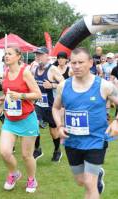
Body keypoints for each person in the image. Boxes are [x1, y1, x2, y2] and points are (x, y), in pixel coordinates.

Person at [52, 47, 118, 198]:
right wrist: (60, 125)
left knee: (89, 183)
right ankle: (98, 175)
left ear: (90, 63)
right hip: (72, 141)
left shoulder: (104, 85)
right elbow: (55, 108)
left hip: (96, 140)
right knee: (81, 181)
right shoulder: (64, 86)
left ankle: (94, 180)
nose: (76, 66)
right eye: (73, 63)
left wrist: (116, 122)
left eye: (80, 62)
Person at [0, 46, 42, 193]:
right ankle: (14, 174)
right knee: (4, 152)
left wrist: (21, 96)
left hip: (27, 118)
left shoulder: (25, 73)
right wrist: (3, 98)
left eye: (10, 54)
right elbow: (9, 93)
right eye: (5, 54)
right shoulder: (5, 72)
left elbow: (37, 94)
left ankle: (31, 179)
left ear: (18, 56)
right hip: (10, 119)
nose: (6, 56)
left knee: (26, 155)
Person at [33, 47, 64, 162]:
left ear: (47, 56)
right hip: (38, 104)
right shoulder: (34, 69)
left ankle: (57, 150)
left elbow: (64, 83)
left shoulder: (53, 69)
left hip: (51, 106)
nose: (38, 57)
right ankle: (37, 149)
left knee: (53, 132)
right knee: (34, 126)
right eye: (36, 55)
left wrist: (52, 85)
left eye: (40, 55)